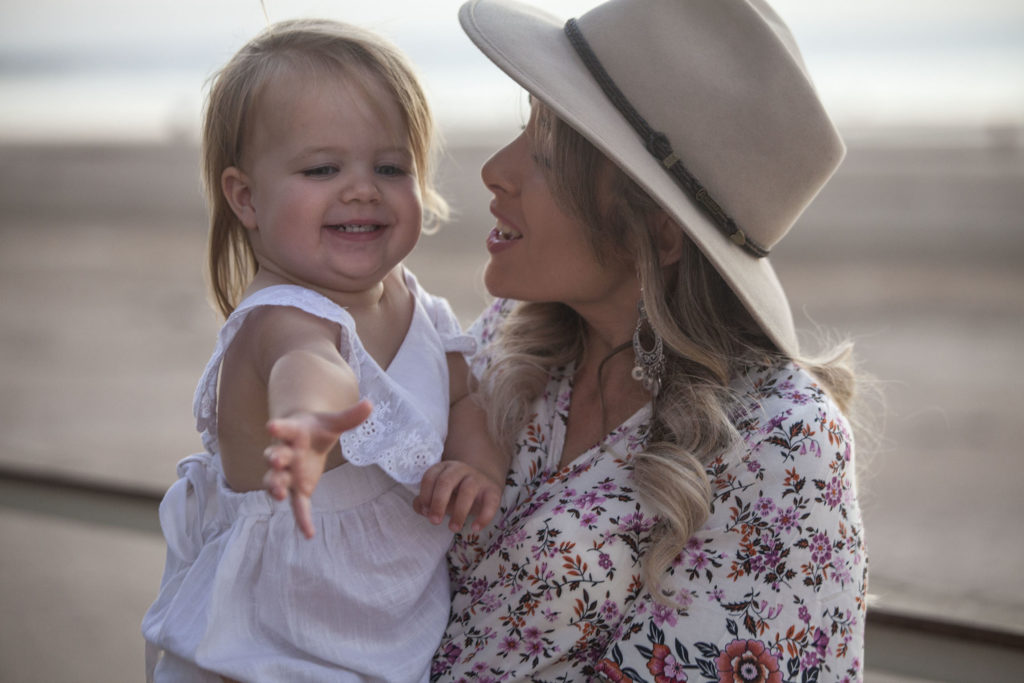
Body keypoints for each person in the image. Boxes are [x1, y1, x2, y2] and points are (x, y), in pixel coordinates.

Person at [425, 0, 869, 681]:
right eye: (526, 127)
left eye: (546, 151)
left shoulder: (783, 443)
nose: (496, 170)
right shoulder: (509, 341)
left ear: (657, 233)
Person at [141, 19, 504, 682]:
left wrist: (477, 464)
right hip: (272, 648)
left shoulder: (414, 300)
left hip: (382, 635)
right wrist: (308, 423)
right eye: (322, 168)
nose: (362, 187)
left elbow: (461, 393)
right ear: (246, 198)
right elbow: (313, 366)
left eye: (390, 167)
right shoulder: (282, 316)